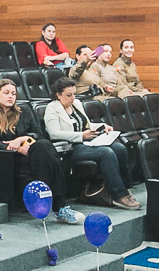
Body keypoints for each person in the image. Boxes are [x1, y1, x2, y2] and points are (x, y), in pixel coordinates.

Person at [0, 77, 80, 224]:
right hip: (8, 158)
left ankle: (50, 204)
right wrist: (17, 149)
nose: (11, 96)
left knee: (44, 146)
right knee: (48, 157)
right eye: (6, 93)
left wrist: (22, 139)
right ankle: (58, 207)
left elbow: (38, 134)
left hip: (31, 153)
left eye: (13, 93)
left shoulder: (23, 110)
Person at [45, 82, 139, 210]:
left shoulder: (76, 104)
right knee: (106, 152)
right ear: (58, 95)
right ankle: (119, 195)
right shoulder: (52, 108)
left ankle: (125, 188)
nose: (73, 98)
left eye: (74, 94)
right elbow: (54, 133)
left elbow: (87, 125)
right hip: (69, 148)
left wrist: (102, 126)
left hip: (86, 142)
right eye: (69, 95)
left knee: (120, 148)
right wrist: (81, 136)